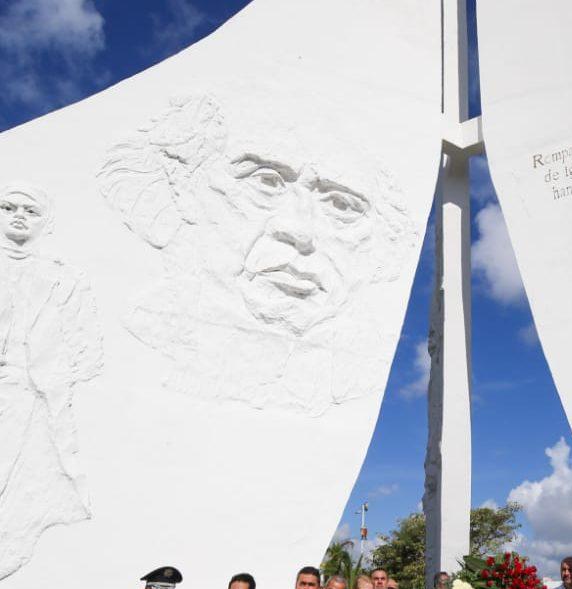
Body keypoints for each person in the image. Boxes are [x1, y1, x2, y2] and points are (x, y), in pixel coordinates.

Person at [98, 95, 416, 416]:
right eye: (266, 181)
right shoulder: (116, 345)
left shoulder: (356, 374)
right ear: (182, 184)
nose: (300, 230)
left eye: (340, 205)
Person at [0, 182, 103, 580]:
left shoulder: (63, 277)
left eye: (30, 210)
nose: (19, 216)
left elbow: (86, 344)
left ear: (47, 222)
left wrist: (49, 374)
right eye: (9, 207)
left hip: (27, 391)